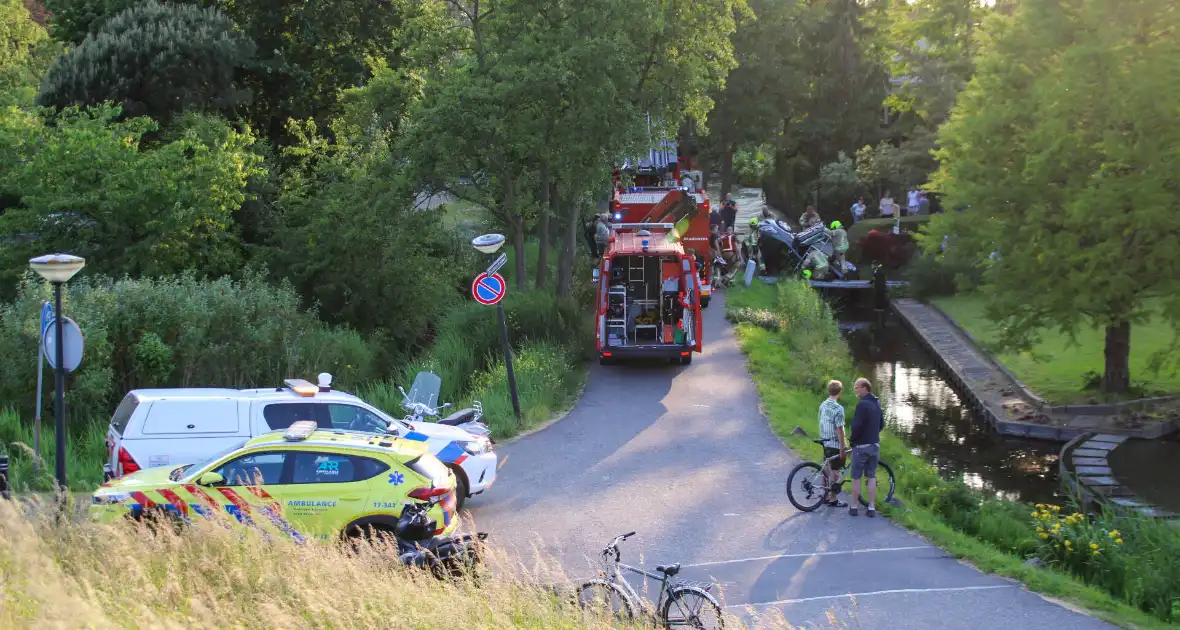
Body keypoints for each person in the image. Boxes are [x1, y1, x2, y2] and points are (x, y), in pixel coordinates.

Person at [848, 377, 884, 517]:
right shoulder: (877, 402)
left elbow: (856, 426)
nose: (855, 389)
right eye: (855, 386)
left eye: (857, 387)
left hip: (861, 446)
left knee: (856, 476)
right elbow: (881, 425)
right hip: (875, 445)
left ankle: (854, 506)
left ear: (865, 388)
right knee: (871, 476)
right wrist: (872, 434)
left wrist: (852, 440)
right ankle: (871, 507)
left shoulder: (862, 404)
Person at [818, 380, 848, 507]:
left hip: (825, 441)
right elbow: (839, 430)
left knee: (825, 468)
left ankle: (823, 495)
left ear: (828, 390)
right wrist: (843, 447)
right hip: (835, 443)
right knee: (835, 470)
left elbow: (820, 420)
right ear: (840, 392)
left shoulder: (823, 405)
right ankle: (833, 498)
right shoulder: (838, 408)